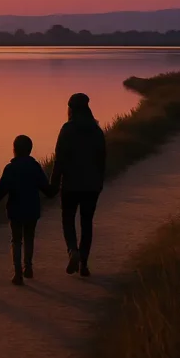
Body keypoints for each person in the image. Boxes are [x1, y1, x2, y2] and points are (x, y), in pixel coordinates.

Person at [0, 135, 55, 285]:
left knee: (16, 240)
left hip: (15, 210)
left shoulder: (10, 168)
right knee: (29, 237)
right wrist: (55, 188)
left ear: (14, 150)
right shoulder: (35, 167)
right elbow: (46, 188)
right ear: (30, 150)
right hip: (32, 209)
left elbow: (0, 192)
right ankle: (28, 267)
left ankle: (18, 273)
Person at [51, 92, 107, 277]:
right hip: (91, 185)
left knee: (68, 219)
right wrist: (99, 181)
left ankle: (72, 251)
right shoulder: (97, 130)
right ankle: (84, 264)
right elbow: (102, 159)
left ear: (71, 109)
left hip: (71, 184)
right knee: (87, 223)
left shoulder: (67, 129)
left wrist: (53, 184)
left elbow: (59, 159)